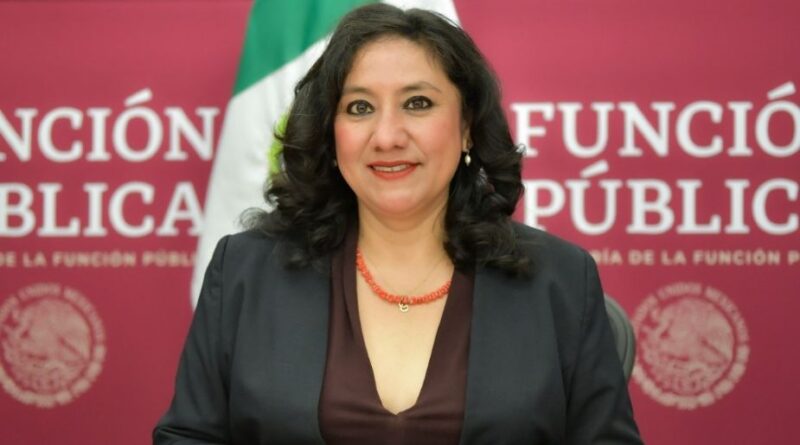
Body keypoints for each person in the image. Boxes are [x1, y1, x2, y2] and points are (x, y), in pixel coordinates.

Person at [153, 4, 643, 444]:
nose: (387, 136)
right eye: (360, 108)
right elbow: (188, 436)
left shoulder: (560, 279)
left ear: (467, 126)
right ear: (331, 134)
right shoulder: (246, 271)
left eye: (417, 103)